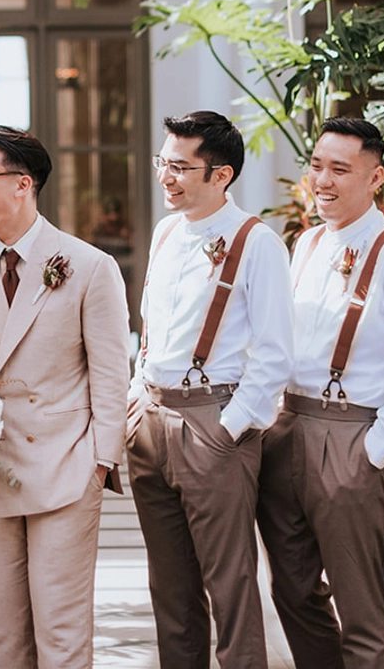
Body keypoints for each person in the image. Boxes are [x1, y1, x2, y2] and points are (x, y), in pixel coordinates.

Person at [0, 124, 129, 669]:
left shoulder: (89, 265)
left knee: (61, 637)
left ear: (23, 184)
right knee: (2, 637)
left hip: (65, 469)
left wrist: (101, 463)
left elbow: (111, 372)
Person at [257, 117, 384, 669]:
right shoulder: (307, 243)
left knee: (359, 607)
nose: (323, 180)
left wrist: (377, 450)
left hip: (352, 436)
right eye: (317, 166)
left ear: (376, 177)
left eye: (340, 169)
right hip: (289, 426)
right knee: (291, 590)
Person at [127, 110, 293, 669]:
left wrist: (229, 428)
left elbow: (275, 353)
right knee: (170, 588)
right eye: (163, 162)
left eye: (180, 167)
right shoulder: (165, 231)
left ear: (221, 175)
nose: (165, 176)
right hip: (151, 421)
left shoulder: (257, 242)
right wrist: (137, 394)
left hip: (213, 424)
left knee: (231, 585)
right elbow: (153, 328)